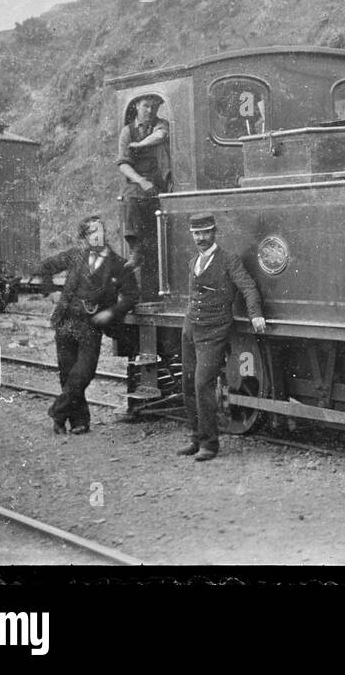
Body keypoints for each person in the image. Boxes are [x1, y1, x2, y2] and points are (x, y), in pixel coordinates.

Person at [28, 216, 138, 435]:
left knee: (83, 374)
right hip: (66, 321)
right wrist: (50, 294)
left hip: (91, 325)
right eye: (90, 233)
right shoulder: (75, 255)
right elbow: (43, 268)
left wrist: (110, 313)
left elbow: (131, 296)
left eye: (99, 231)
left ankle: (57, 412)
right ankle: (79, 421)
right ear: (85, 237)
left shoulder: (118, 264)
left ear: (105, 233)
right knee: (67, 374)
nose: (96, 236)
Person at [177, 213, 267, 461]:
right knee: (187, 384)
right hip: (191, 329)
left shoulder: (229, 260)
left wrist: (255, 314)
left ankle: (209, 444)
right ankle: (196, 438)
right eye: (197, 234)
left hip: (214, 332)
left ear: (215, 232)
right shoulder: (192, 261)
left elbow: (248, 287)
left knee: (202, 384)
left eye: (206, 233)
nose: (201, 238)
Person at [117, 95, 171, 295]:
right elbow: (123, 164)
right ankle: (135, 250)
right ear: (137, 106)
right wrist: (141, 181)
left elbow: (161, 136)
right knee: (131, 197)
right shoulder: (127, 132)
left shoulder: (161, 124)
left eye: (154, 107)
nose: (150, 110)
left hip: (161, 180)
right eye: (146, 106)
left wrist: (138, 146)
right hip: (139, 181)